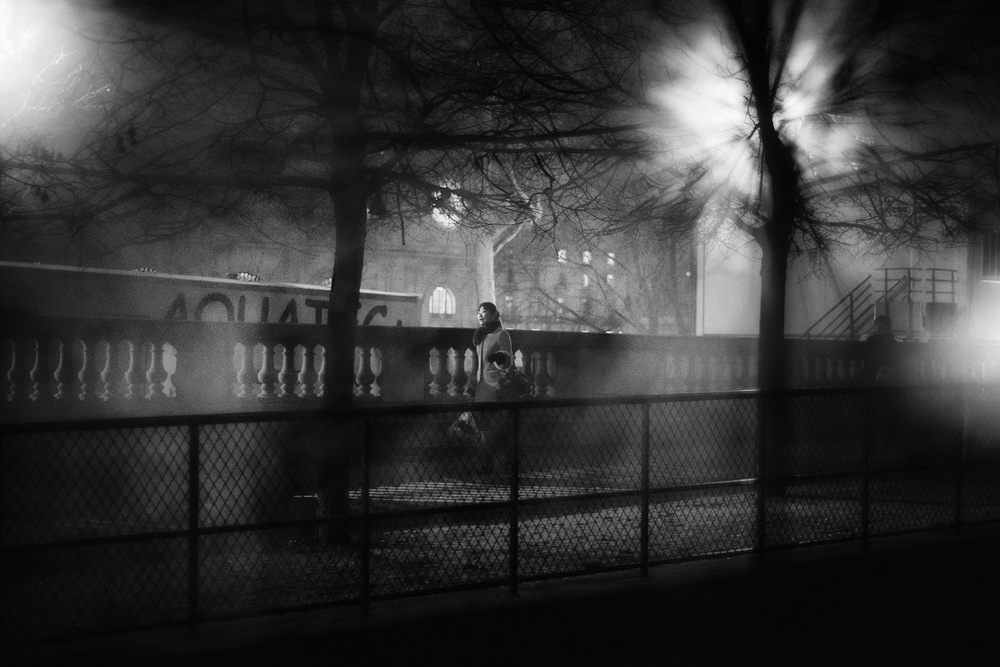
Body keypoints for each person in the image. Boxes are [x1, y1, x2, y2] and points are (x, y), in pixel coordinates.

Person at [473, 301, 513, 402]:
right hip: (480, 385)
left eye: (484, 312)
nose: (480, 315)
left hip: (495, 384)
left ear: (493, 315)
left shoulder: (501, 334)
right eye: (478, 313)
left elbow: (508, 361)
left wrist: (499, 357)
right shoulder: (480, 335)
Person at [862, 314, 899, 385]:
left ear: (887, 327)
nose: (878, 327)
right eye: (876, 325)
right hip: (876, 371)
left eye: (881, 325)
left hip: (879, 371)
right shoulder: (892, 342)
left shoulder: (871, 340)